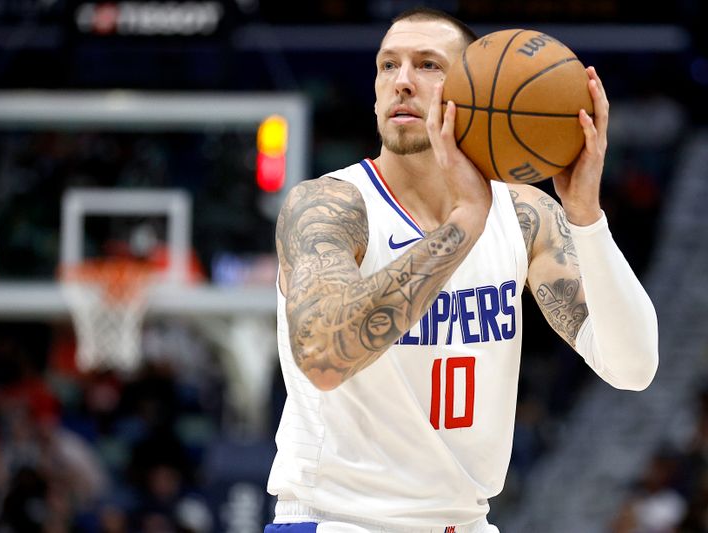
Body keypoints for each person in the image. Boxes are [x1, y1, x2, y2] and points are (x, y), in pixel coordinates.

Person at [265, 7, 659, 533]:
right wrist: (463, 224)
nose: (402, 82)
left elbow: (633, 368)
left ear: (472, 87)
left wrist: (586, 217)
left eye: (427, 65)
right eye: (388, 66)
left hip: (466, 523)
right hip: (340, 519)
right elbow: (324, 358)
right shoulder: (329, 206)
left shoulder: (525, 217)